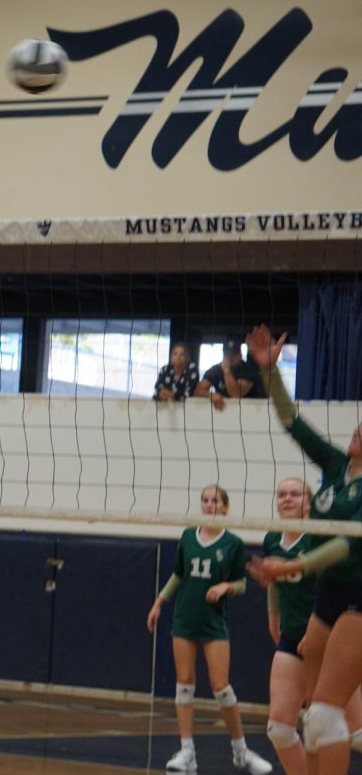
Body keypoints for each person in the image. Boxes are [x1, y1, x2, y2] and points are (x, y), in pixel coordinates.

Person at [245, 325, 362, 775]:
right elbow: (294, 423)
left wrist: (293, 564)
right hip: (328, 596)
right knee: (311, 718)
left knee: (327, 715)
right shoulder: (335, 466)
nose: (357, 430)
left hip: (358, 597)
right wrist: (270, 374)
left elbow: (345, 546)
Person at [145, 485, 272, 774]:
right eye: (205, 500)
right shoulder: (189, 536)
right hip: (184, 619)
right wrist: (158, 602)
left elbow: (240, 583)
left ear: (225, 507)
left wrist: (226, 585)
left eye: (215, 500)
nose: (209, 504)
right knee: (184, 684)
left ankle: (241, 751)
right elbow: (179, 574)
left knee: (221, 688)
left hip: (213, 623)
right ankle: (187, 752)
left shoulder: (233, 543)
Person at [260, 478, 362, 775]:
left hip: (330, 639)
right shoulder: (272, 538)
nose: (287, 499)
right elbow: (273, 574)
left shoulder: (321, 538)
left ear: (310, 502)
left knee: (348, 729)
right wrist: (272, 613)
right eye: (281, 494)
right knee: (280, 727)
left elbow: (337, 587)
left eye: (295, 494)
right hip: (291, 637)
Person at [195, 337, 264, 410]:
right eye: (227, 353)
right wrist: (210, 395)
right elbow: (196, 391)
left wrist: (227, 371)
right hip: (223, 411)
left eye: (233, 354)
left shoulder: (248, 369)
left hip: (252, 411)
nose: (230, 357)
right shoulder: (215, 370)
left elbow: (236, 394)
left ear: (240, 355)